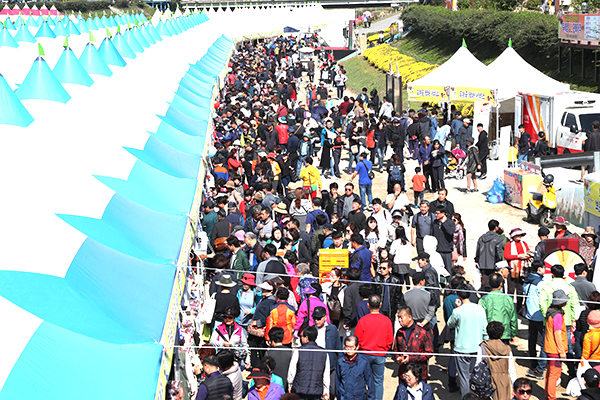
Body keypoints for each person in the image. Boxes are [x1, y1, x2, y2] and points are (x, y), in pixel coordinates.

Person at [447, 284, 489, 398]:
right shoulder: (479, 308)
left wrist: (456, 308)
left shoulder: (458, 311)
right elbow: (485, 327)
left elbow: (450, 324)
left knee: (464, 377)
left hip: (461, 349)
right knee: (474, 374)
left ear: (459, 296)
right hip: (476, 346)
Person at [355, 294, 394, 400]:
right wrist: (384, 349)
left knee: (362, 380)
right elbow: (390, 340)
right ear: (380, 305)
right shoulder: (387, 320)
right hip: (379, 354)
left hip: (365, 353)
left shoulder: (363, 320)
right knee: (378, 382)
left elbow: (357, 338)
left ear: (368, 305)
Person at [287, 325, 330, 400]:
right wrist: (326, 390)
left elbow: (292, 370)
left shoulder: (298, 351)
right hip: (317, 391)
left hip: (299, 390)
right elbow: (326, 373)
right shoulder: (324, 353)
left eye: (302, 336)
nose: (301, 338)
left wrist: (290, 385)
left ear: (306, 338)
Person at [394, 306, 433, 383]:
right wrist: (398, 358)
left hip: (419, 374)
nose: (399, 320)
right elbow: (395, 349)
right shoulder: (399, 332)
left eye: (401, 317)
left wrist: (411, 358)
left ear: (409, 317)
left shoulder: (422, 332)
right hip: (404, 374)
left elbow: (429, 352)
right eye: (398, 317)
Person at [523, 260, 548, 380]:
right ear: (539, 269)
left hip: (530, 314)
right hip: (539, 315)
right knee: (544, 341)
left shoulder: (527, 281)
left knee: (532, 339)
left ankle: (533, 361)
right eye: (543, 268)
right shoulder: (541, 283)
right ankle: (541, 365)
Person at [544, 289, 569, 400]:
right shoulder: (558, 316)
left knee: (550, 373)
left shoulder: (550, 312)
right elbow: (557, 334)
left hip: (549, 347)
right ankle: (551, 397)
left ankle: (548, 394)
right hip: (555, 350)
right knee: (554, 374)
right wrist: (562, 351)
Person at [479, 273, 519, 342]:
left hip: (489, 334)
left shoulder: (483, 299)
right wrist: (513, 333)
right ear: (501, 284)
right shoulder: (508, 298)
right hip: (504, 333)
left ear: (489, 284)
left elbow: (480, 318)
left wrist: (481, 334)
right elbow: (513, 317)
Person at [313, 306, 342, 399]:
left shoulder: (333, 329)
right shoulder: (311, 330)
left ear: (325, 317)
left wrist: (340, 364)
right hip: (316, 365)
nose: (316, 321)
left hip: (331, 366)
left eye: (319, 318)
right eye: (314, 318)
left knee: (332, 390)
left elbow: (338, 348)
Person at [504, 227, 531, 314]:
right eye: (517, 235)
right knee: (511, 290)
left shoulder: (524, 243)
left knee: (520, 290)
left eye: (520, 235)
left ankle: (518, 309)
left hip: (523, 270)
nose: (519, 236)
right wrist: (518, 256)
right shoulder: (509, 244)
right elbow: (506, 256)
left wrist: (526, 256)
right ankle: (510, 308)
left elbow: (529, 254)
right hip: (512, 269)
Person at [336, 335, 372, 400]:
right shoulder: (340, 361)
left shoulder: (364, 362)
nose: (349, 349)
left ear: (357, 347)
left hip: (359, 397)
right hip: (344, 396)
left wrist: (371, 398)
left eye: (351, 347)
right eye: (347, 346)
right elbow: (337, 380)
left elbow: (370, 382)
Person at [475, 219, 505, 283]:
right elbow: (498, 253)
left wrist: (477, 261)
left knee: (484, 281)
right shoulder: (497, 239)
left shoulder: (481, 238)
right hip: (493, 264)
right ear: (496, 227)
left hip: (482, 264)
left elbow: (478, 251)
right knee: (493, 282)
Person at [432, 206, 455, 272]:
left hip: (447, 251)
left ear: (443, 213)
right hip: (437, 251)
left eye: (438, 213)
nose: (436, 215)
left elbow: (450, 232)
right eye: (435, 213)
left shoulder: (450, 223)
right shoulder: (435, 222)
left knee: (448, 270)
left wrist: (443, 223)